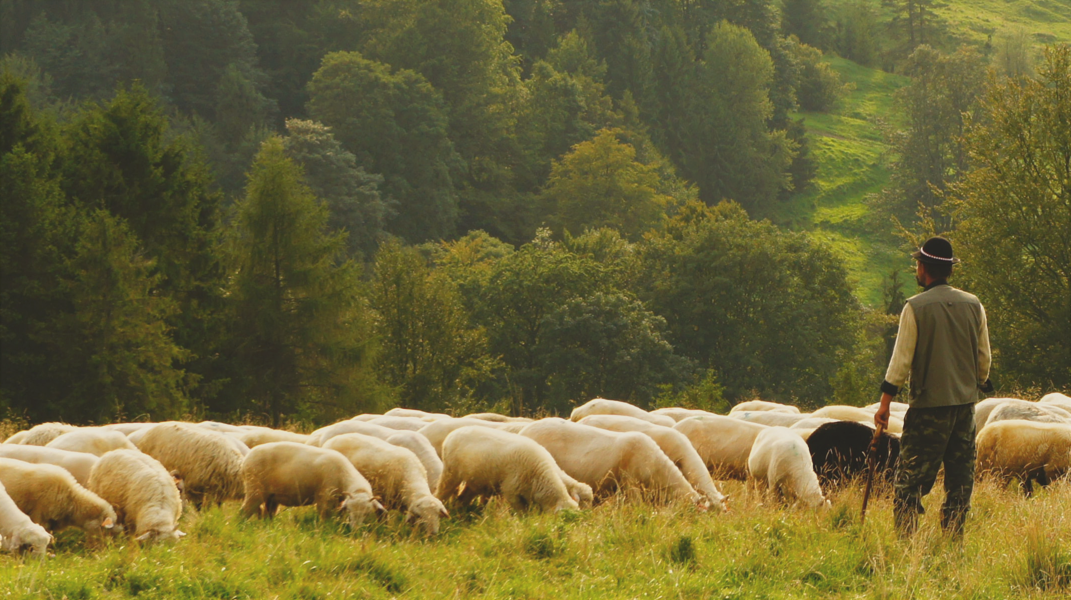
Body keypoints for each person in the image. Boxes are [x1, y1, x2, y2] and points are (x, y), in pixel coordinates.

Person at [874, 236, 992, 537]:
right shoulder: (973, 304)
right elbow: (983, 359)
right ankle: (953, 541)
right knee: (960, 481)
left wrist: (885, 403)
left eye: (917, 264)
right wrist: (976, 383)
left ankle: (907, 543)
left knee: (909, 480)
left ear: (924, 268)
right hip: (965, 408)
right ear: (949, 269)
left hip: (928, 409)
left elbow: (900, 362)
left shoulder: (915, 307)